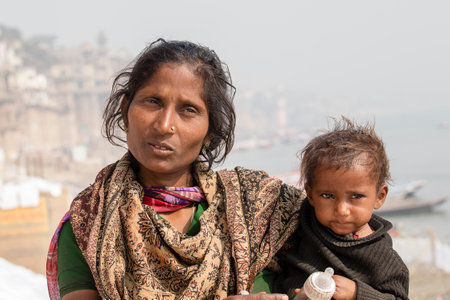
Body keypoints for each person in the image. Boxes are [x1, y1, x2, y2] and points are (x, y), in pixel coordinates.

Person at [46, 39, 304, 300]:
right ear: (125, 111)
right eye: (153, 102)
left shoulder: (257, 210)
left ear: (210, 132)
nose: (164, 124)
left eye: (188, 110)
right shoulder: (90, 224)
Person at [274, 117, 409, 300]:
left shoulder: (384, 260)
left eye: (356, 197)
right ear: (311, 194)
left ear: (379, 197)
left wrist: (357, 293)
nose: (341, 210)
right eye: (327, 196)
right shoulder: (302, 221)